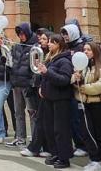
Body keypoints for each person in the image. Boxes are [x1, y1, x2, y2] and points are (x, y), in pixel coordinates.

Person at [72, 42, 101, 171]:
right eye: (84, 49)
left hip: (97, 105)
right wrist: (75, 78)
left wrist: (82, 88)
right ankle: (93, 157)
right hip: (83, 104)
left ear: (95, 52)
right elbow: (72, 80)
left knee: (97, 132)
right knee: (86, 131)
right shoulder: (82, 67)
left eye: (88, 49)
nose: (86, 52)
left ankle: (98, 159)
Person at [38, 33, 74, 169]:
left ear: (58, 44)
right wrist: (42, 86)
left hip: (60, 100)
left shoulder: (64, 61)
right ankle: (55, 153)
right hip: (49, 98)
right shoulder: (51, 58)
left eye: (51, 42)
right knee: (50, 128)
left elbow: (64, 80)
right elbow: (46, 77)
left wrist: (47, 72)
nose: (48, 44)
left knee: (61, 130)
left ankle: (64, 158)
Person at [6, 22, 38, 148]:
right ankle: (20, 138)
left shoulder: (35, 46)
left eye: (23, 33)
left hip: (28, 85)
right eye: (19, 34)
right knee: (18, 112)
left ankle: (35, 140)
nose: (21, 36)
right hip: (17, 84)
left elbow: (35, 67)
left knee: (32, 113)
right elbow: (13, 62)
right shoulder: (17, 46)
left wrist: (32, 83)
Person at [21, 29, 51, 158]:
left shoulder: (51, 55)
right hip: (37, 88)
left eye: (44, 39)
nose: (41, 41)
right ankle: (43, 147)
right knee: (40, 119)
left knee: (42, 120)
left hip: (46, 90)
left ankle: (36, 147)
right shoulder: (37, 52)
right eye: (41, 38)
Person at [62, 23, 88, 158]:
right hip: (69, 86)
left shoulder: (81, 47)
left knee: (78, 119)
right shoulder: (67, 47)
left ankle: (83, 145)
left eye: (67, 33)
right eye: (63, 34)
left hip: (79, 88)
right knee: (72, 118)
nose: (65, 36)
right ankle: (78, 143)